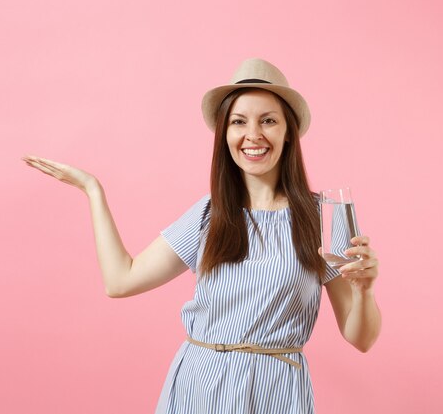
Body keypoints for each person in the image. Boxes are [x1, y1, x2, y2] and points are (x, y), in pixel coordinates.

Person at [22, 58, 381, 414]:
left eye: (268, 121)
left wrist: (364, 290)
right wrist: (93, 190)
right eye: (239, 122)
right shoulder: (209, 214)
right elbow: (120, 280)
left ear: (288, 132)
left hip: (276, 392)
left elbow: (361, 338)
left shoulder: (324, 216)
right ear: (225, 134)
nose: (253, 135)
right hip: (200, 385)